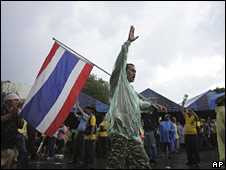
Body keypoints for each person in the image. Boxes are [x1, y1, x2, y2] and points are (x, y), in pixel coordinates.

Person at [105, 25, 162, 169]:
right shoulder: (118, 84)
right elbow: (119, 65)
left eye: (135, 71)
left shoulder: (131, 91)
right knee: (115, 165)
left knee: (143, 164)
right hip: (120, 134)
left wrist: (153, 105)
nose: (134, 73)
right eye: (131, 70)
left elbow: (140, 104)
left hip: (133, 135)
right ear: (124, 72)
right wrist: (127, 44)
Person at [215, 95, 225, 163]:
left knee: (220, 164)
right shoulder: (223, 111)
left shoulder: (218, 112)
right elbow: (223, 132)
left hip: (222, 152)